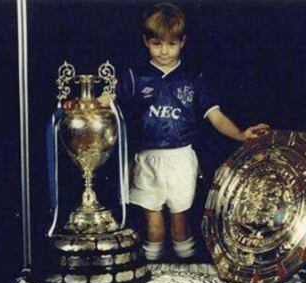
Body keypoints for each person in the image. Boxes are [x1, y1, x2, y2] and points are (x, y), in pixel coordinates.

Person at [101, 2, 270, 261]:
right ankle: (152, 278)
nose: (164, 51)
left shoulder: (193, 79)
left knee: (180, 228)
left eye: (171, 44)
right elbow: (107, 100)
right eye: (157, 44)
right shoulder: (136, 77)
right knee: (153, 228)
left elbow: (215, 115)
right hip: (146, 159)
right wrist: (86, 102)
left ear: (183, 42)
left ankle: (188, 278)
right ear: (146, 42)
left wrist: (240, 135)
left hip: (181, 159)